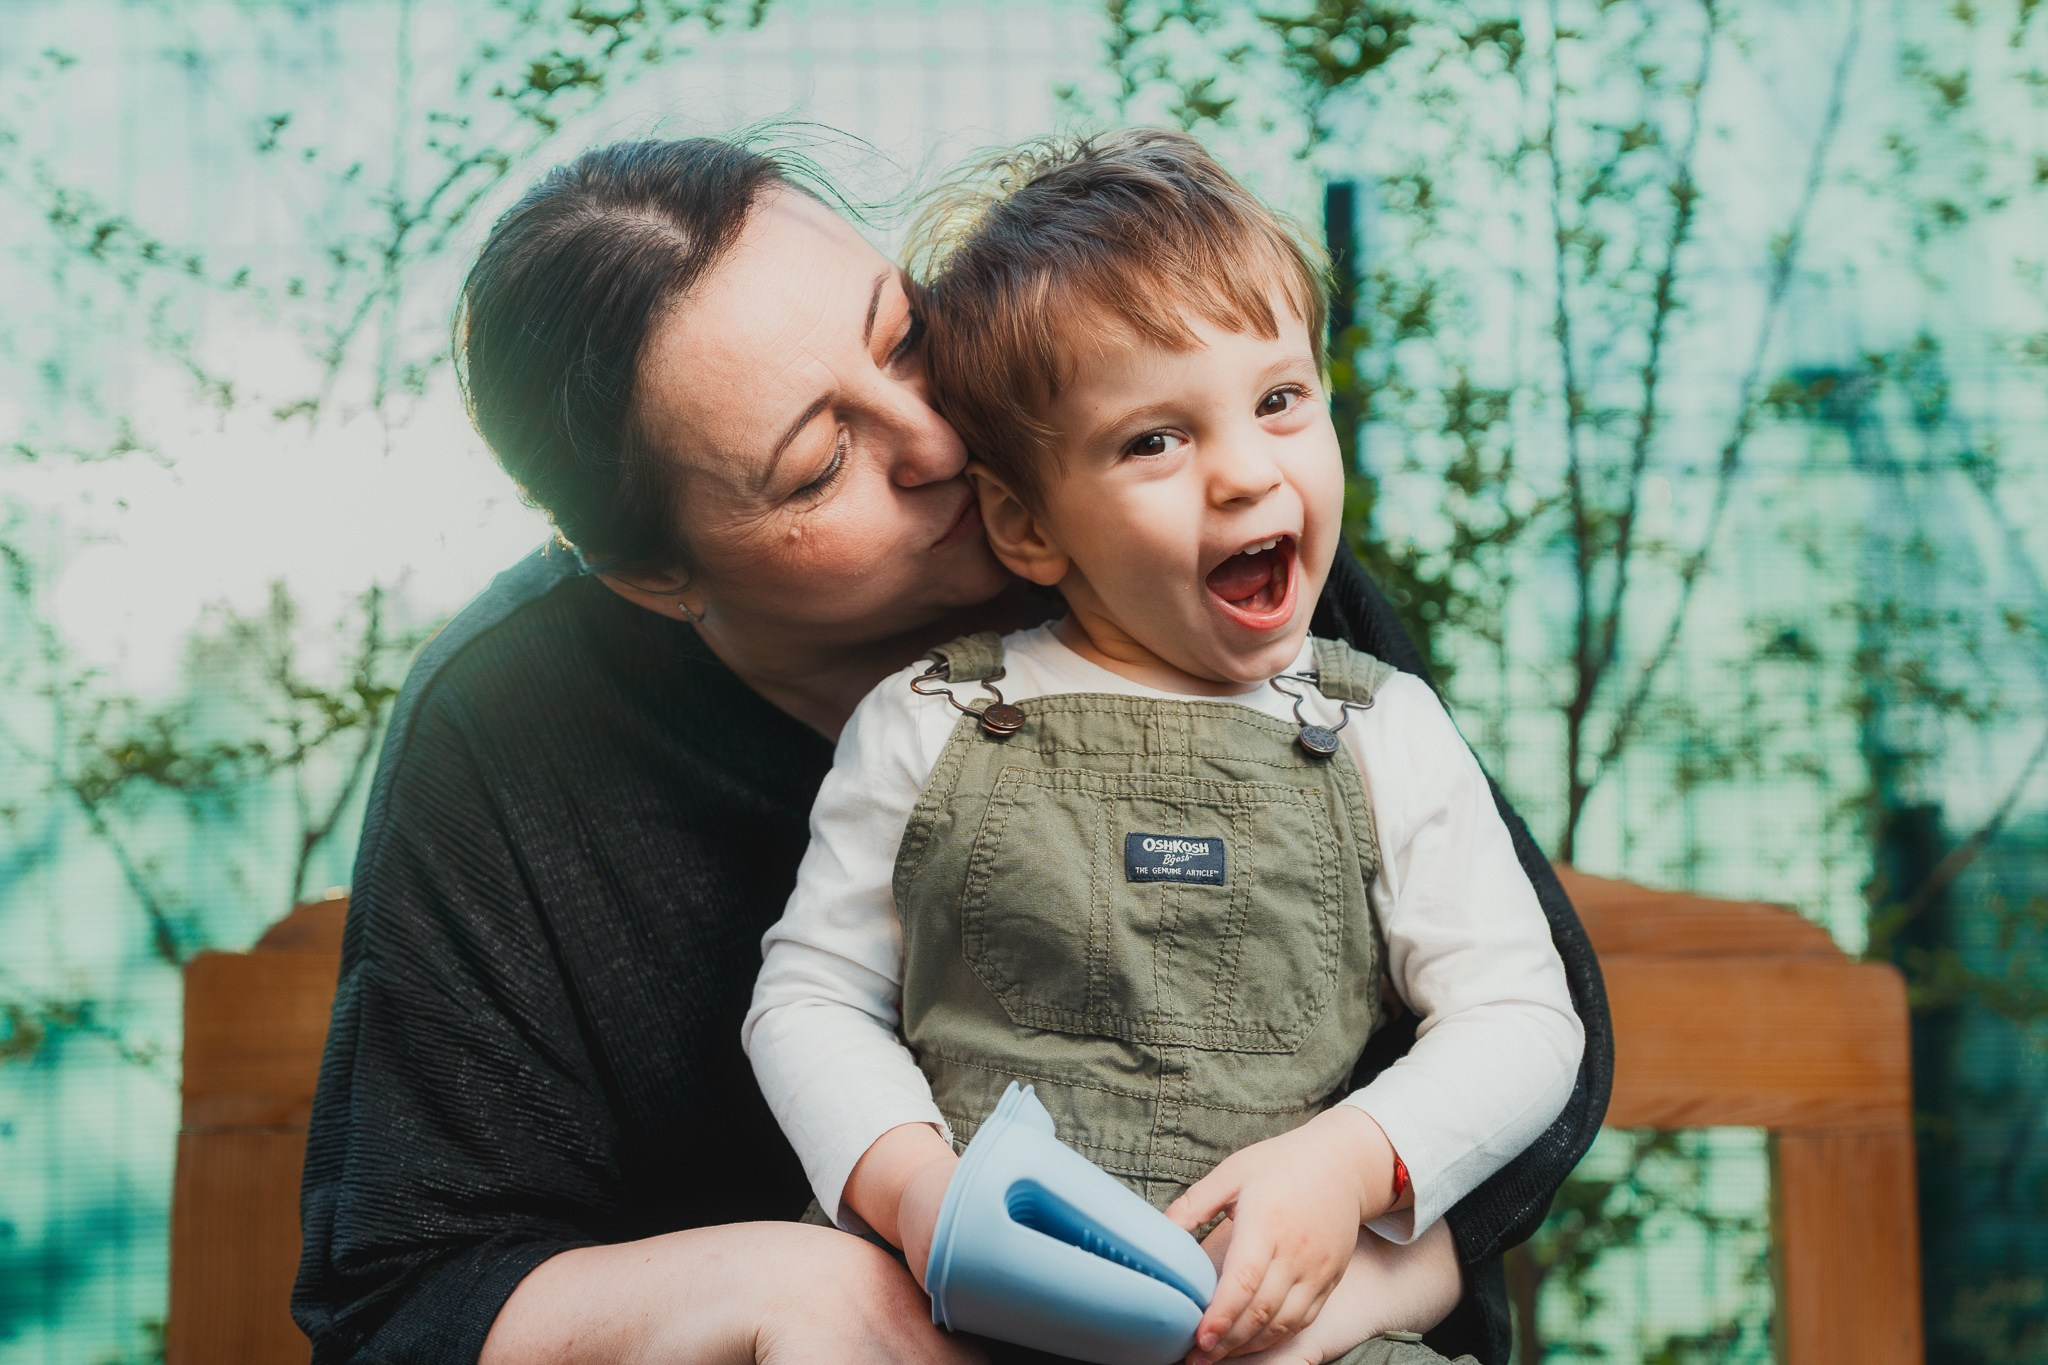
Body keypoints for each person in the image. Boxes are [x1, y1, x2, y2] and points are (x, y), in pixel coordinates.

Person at [291, 133, 1611, 1365]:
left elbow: (1538, 1046)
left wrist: (1317, 1300)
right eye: (819, 466)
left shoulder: (1220, 577)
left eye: (905, 338)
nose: (936, 442)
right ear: (657, 578)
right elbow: (405, 1290)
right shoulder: (510, 724)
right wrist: (791, 1288)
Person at [741, 131, 1583, 1365]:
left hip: (1283, 1327)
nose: (1247, 471)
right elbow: (809, 999)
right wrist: (916, 1194)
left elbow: (1520, 1018)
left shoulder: (1379, 728)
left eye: (1279, 399)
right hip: (964, 1314)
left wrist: (1347, 1163)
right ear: (1025, 525)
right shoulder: (932, 719)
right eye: (1153, 440)